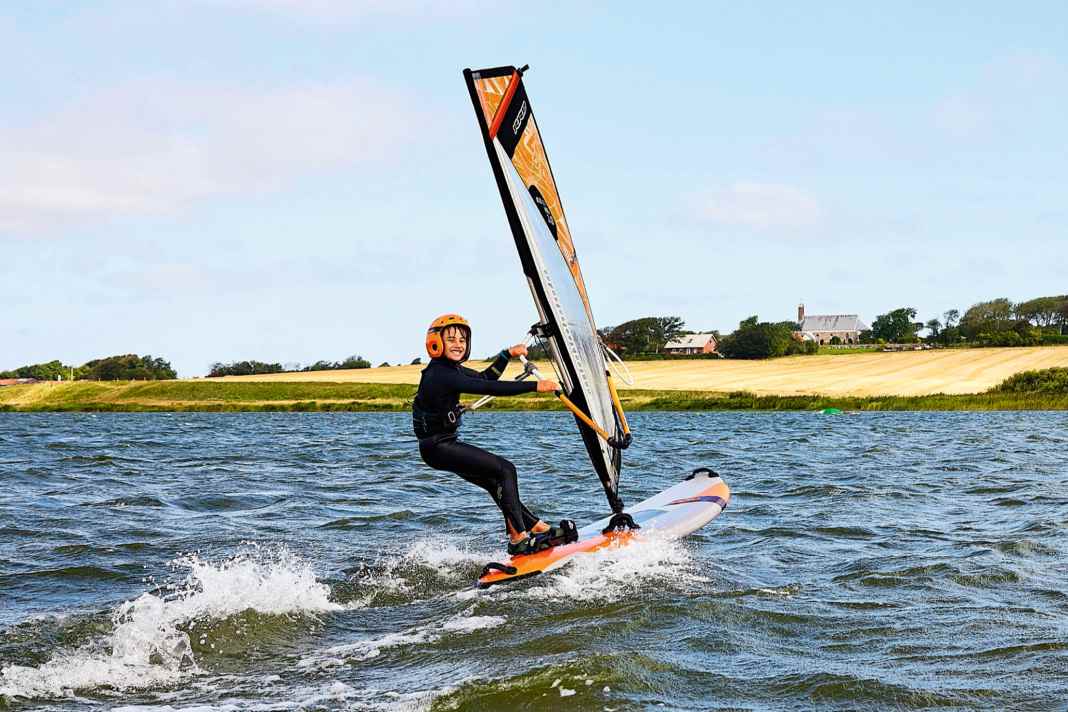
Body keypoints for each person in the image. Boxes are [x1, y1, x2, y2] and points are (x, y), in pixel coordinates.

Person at [413, 314, 571, 555]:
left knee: (494, 481)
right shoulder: (441, 374)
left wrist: (506, 355)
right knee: (506, 470)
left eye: (463, 340)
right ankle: (519, 538)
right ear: (436, 343)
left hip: (440, 446)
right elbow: (490, 388)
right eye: (451, 339)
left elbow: (486, 377)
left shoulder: (451, 369)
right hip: (438, 447)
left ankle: (536, 527)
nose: (458, 344)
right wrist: (535, 386)